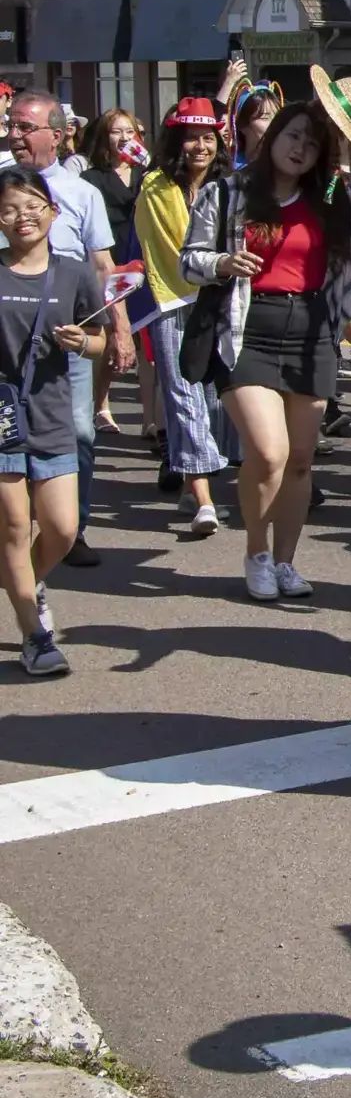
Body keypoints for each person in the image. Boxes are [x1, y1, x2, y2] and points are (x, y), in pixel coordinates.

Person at [181, 92, 351, 601]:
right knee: (268, 454)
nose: (299, 149)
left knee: (300, 461)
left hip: (313, 328)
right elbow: (188, 260)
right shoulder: (228, 193)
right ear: (271, 138)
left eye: (312, 144)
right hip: (247, 326)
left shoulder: (332, 200)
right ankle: (257, 551)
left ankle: (287, 561)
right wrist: (221, 264)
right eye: (292, 136)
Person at [5, 92, 131, 572]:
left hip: (68, 337)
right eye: (11, 126)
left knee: (78, 430)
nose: (14, 135)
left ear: (56, 136)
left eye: (25, 127)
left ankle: (71, 528)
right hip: (6, 336)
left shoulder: (82, 193)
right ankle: (16, 532)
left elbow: (103, 265)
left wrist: (117, 329)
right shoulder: (1, 186)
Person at [0, 166, 105, 675]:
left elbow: (101, 338)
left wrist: (83, 342)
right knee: (16, 526)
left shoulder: (75, 272)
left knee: (62, 529)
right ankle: (35, 635)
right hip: (1, 417)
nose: (22, 217)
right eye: (9, 210)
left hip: (53, 412)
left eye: (31, 206)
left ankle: (24, 582)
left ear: (52, 211)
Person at [136, 100, 233, 535]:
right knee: (182, 396)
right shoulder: (155, 186)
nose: (200, 146)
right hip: (173, 302)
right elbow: (182, 249)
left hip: (221, 302)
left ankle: (191, 486)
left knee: (214, 400)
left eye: (208, 138)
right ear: (176, 140)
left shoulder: (231, 184)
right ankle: (206, 502)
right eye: (191, 137)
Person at [79, 108, 150, 437]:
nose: (124, 138)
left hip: (143, 259)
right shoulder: (92, 178)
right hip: (109, 262)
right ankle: (101, 405)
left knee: (147, 340)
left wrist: (149, 166)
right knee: (111, 338)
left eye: (130, 131)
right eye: (116, 131)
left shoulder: (147, 174)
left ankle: (151, 417)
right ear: (105, 137)